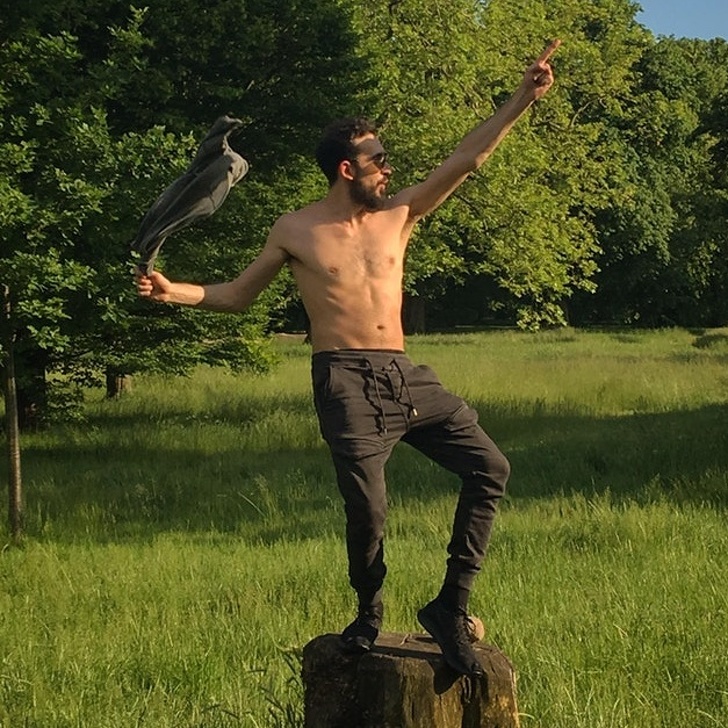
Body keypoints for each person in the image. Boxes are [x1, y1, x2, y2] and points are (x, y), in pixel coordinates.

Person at [136, 40, 560, 676]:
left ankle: (450, 606)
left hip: (404, 375)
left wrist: (523, 97)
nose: (388, 169)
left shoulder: (400, 214)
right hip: (344, 380)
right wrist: (175, 292)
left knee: (490, 467)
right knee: (368, 511)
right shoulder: (296, 229)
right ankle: (368, 610)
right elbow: (238, 295)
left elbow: (467, 157)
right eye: (378, 160)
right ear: (346, 169)